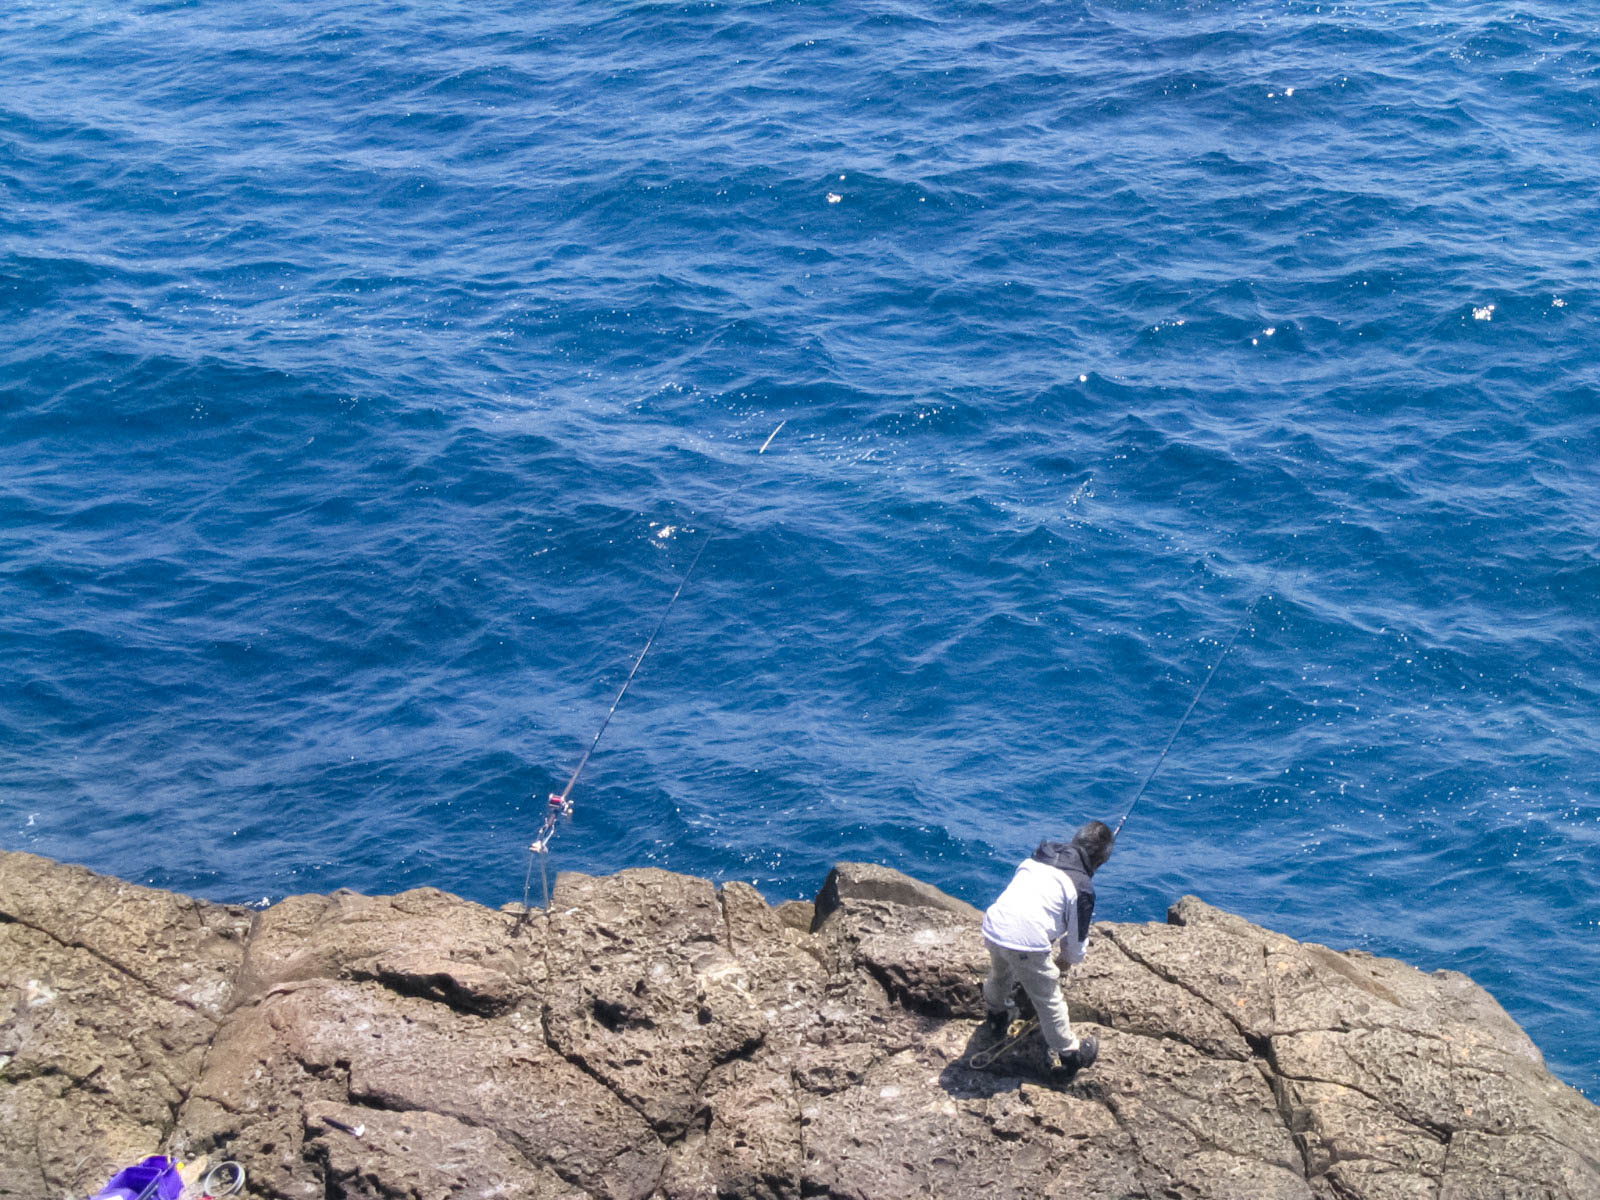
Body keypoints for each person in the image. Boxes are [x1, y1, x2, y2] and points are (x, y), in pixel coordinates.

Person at [979, 819, 1114, 1079]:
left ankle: (995, 1015)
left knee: (999, 974)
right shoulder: (1082, 887)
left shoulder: (1040, 856)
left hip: (994, 925)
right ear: (1098, 861)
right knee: (1049, 1000)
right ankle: (1070, 1053)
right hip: (1025, 942)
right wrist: (1066, 960)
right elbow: (1075, 942)